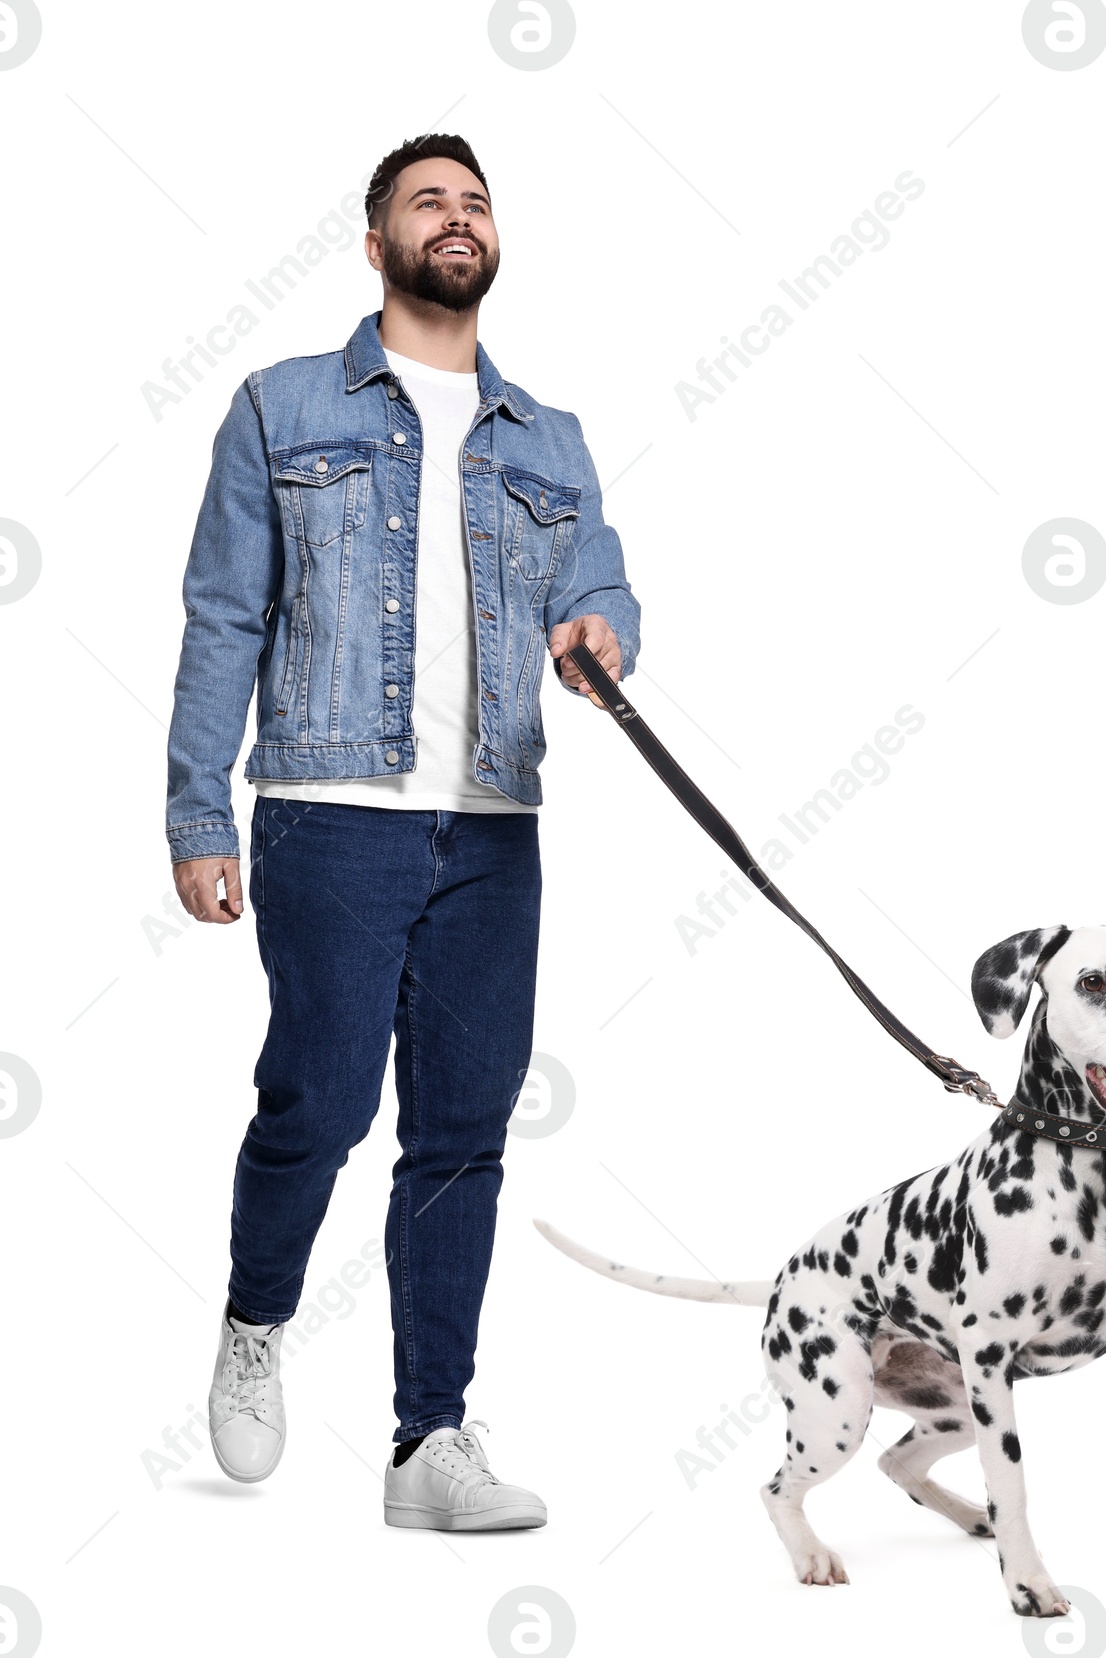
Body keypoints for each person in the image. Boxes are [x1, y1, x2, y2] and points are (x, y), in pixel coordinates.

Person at [164, 132, 640, 1530]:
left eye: (476, 201)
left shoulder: (548, 438)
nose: (457, 216)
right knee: (321, 1100)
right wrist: (201, 808)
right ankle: (258, 1321)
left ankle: (429, 1439)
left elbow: (602, 573)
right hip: (327, 814)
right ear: (375, 243)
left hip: (494, 824)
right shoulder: (280, 405)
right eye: (428, 200)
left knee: (464, 1130)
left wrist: (604, 629)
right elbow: (223, 615)